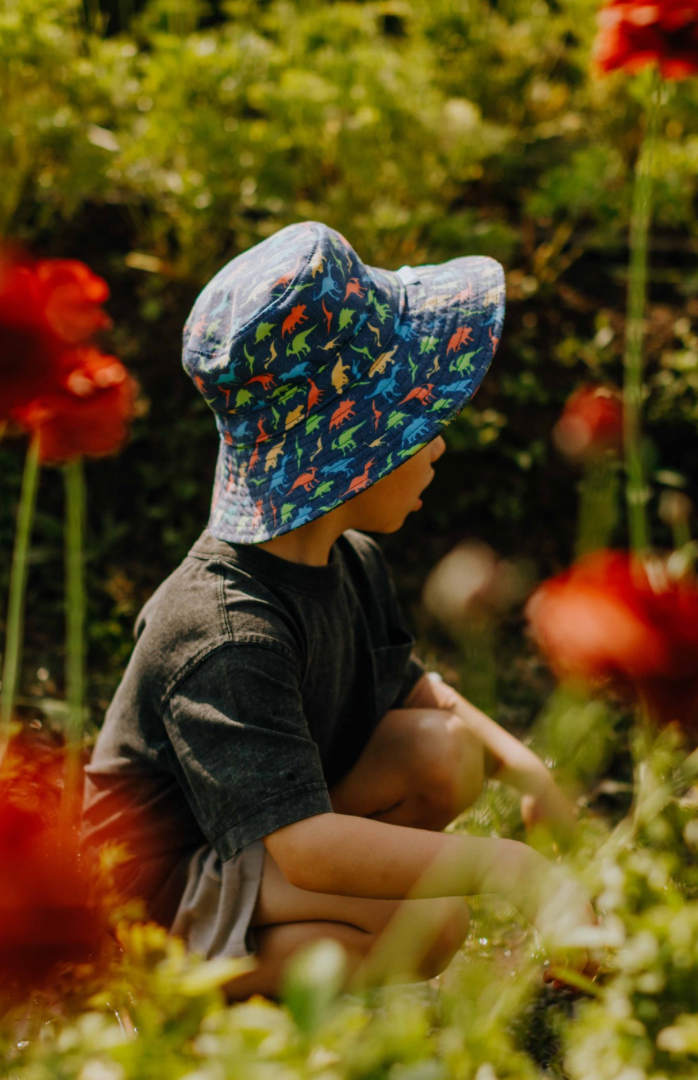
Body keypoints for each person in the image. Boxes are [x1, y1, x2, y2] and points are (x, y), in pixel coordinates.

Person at [83, 221, 592, 999]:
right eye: (421, 422)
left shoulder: (347, 558)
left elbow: (415, 691)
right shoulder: (222, 630)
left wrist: (526, 769)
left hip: (255, 845)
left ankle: (324, 930)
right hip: (159, 891)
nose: (440, 446)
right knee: (430, 924)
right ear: (350, 452)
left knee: (443, 752)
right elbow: (306, 850)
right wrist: (508, 868)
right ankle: (175, 1005)